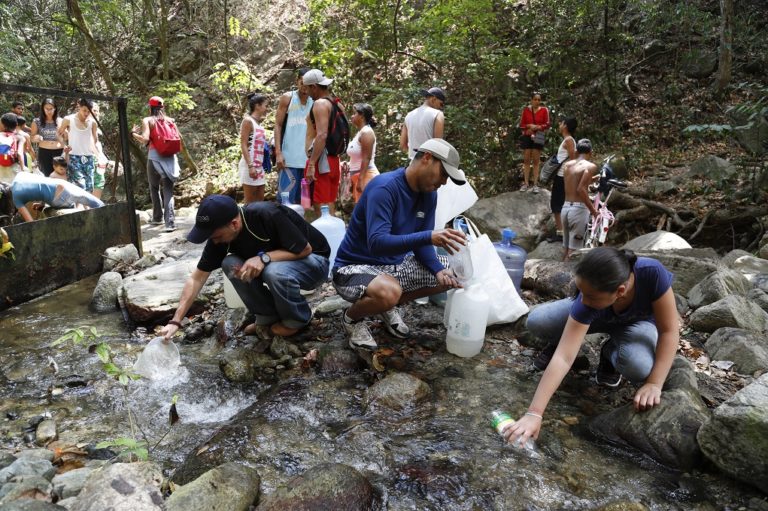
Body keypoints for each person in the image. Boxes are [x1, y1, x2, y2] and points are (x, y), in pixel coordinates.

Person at [504, 247, 679, 447]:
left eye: (591, 296)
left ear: (620, 291)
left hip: (637, 325)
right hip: (598, 315)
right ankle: (561, 339)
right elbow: (564, 358)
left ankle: (610, 353)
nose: (583, 300)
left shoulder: (652, 273)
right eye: (581, 292)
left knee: (638, 366)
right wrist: (534, 414)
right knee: (538, 320)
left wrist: (654, 384)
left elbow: (669, 331)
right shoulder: (588, 299)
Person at [332, 138, 467, 349]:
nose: (444, 182)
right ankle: (352, 319)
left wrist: (438, 269)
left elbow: (423, 244)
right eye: (443, 174)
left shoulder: (429, 195)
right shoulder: (384, 188)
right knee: (389, 292)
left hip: (393, 267)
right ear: (427, 158)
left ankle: (386, 306)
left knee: (453, 273)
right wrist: (429, 236)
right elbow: (377, 242)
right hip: (351, 269)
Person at [159, 195, 331, 340]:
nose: (214, 241)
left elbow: (305, 249)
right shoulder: (217, 239)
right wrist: (175, 321)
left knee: (273, 271)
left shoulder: (265, 214)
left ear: (234, 224)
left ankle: (297, 321)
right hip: (280, 266)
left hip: (314, 263)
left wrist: (264, 258)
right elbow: (197, 278)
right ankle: (267, 318)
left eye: (216, 236)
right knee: (230, 264)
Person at [132, 96, 179, 232]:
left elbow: (145, 139)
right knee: (168, 190)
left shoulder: (148, 120)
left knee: (154, 187)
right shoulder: (171, 121)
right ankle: (170, 223)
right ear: (162, 107)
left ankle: (157, 218)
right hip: (170, 157)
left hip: (154, 157)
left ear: (150, 107)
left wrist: (134, 133)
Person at [303, 69, 343, 216]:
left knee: (320, 204)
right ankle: (331, 236)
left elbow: (322, 135)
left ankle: (324, 237)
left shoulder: (320, 104)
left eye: (307, 88)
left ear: (314, 87)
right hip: (333, 160)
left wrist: (312, 163)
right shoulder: (336, 103)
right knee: (329, 200)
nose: (306, 92)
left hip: (322, 162)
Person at [274, 68, 313, 206]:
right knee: (285, 202)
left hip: (308, 162)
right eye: (302, 82)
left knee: (304, 204)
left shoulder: (315, 101)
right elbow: (278, 125)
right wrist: (278, 153)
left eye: (308, 84)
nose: (304, 87)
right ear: (297, 81)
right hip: (289, 160)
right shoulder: (288, 98)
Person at [9, 171, 104, 222]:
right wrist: (42, 205)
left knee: (73, 217)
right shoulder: (20, 175)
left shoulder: (16, 198)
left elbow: (31, 223)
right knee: (97, 203)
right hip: (61, 184)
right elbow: (40, 183)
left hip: (59, 199)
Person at [560, 139, 599, 261]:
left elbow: (573, 182)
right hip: (578, 211)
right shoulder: (590, 166)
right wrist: (593, 210)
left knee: (566, 249)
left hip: (565, 208)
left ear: (577, 151)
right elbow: (581, 189)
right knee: (573, 253)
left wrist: (592, 179)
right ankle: (568, 279)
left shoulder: (567, 165)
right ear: (590, 152)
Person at [58, 98, 99, 192]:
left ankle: (87, 207)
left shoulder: (92, 122)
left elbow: (95, 140)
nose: (86, 113)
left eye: (89, 111)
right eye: (84, 110)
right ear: (79, 107)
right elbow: (59, 133)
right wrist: (64, 144)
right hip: (74, 156)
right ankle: (78, 206)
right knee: (79, 186)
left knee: (89, 187)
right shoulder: (68, 119)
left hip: (88, 157)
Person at [547, 117, 578, 243]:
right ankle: (561, 231)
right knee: (557, 204)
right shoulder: (567, 140)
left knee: (557, 204)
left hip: (562, 176)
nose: (559, 124)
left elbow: (572, 159)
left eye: (561, 123)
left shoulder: (569, 140)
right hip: (561, 176)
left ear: (565, 126)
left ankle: (561, 233)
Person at [238, 93, 269, 203]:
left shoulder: (259, 124)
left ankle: (257, 221)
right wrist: (250, 166)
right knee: (250, 203)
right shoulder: (248, 121)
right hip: (249, 165)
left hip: (259, 166)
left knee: (260, 200)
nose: (267, 109)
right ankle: (246, 220)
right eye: (265, 105)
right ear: (257, 106)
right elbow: (243, 144)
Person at [345, 103, 379, 203]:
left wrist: (361, 180)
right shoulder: (360, 133)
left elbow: (366, 158)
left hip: (366, 176)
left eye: (354, 113)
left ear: (362, 116)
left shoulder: (367, 132)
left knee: (366, 210)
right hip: (358, 176)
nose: (352, 116)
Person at [400, 87, 445, 160]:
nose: (441, 107)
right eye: (441, 104)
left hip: (413, 164)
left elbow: (403, 145)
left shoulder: (409, 115)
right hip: (429, 164)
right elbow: (437, 145)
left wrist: (414, 155)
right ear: (433, 99)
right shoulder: (437, 114)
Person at [518, 92, 550, 193]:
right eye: (535, 99)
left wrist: (538, 127)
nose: (537, 101)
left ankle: (535, 184)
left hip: (539, 135)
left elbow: (547, 124)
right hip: (528, 135)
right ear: (531, 100)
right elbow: (522, 124)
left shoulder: (544, 110)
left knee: (536, 160)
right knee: (526, 159)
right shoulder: (526, 110)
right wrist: (529, 126)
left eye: (538, 100)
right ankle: (526, 183)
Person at [30, 98, 64, 177]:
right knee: (46, 176)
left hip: (59, 152)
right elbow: (32, 137)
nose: (49, 111)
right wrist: (36, 137)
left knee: (60, 176)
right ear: (43, 109)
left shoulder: (61, 121)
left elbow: (66, 137)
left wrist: (65, 134)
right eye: (46, 109)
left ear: (55, 109)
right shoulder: (37, 121)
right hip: (44, 152)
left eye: (51, 109)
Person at [0, 113, 26, 183]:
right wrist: (23, 168)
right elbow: (20, 153)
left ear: (3, 125)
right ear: (16, 125)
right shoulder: (20, 137)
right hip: (13, 166)